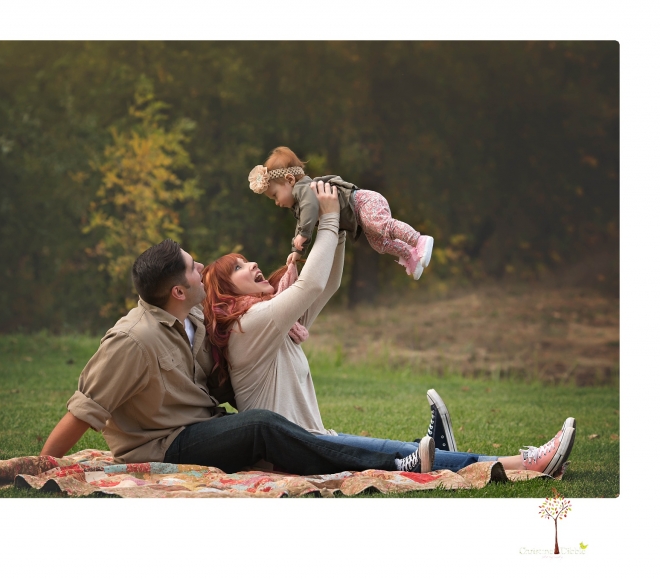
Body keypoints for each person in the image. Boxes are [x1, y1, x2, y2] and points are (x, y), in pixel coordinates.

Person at [202, 179, 576, 476]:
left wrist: (344, 225)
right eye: (237, 268)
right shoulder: (246, 329)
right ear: (224, 292)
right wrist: (329, 219)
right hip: (296, 457)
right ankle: (524, 464)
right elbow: (310, 285)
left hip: (313, 443)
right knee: (400, 456)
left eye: (246, 260)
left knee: (399, 452)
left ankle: (456, 452)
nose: (251, 264)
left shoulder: (274, 327)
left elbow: (326, 285)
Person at [39, 224, 436, 475]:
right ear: (177, 291)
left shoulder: (192, 317)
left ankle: (418, 455)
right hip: (165, 444)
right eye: (195, 268)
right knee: (260, 425)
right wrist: (43, 467)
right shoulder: (133, 340)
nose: (202, 272)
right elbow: (84, 409)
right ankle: (394, 462)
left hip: (204, 426)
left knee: (278, 430)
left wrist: (284, 313)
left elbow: (244, 317)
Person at [248, 145, 434, 279]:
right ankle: (410, 255)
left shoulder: (303, 189)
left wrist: (303, 235)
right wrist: (297, 251)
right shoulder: (299, 205)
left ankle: (418, 240)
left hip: (362, 202)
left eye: (275, 195)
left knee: (382, 226)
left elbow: (309, 214)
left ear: (289, 180)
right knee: (379, 243)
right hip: (360, 214)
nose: (277, 203)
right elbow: (303, 224)